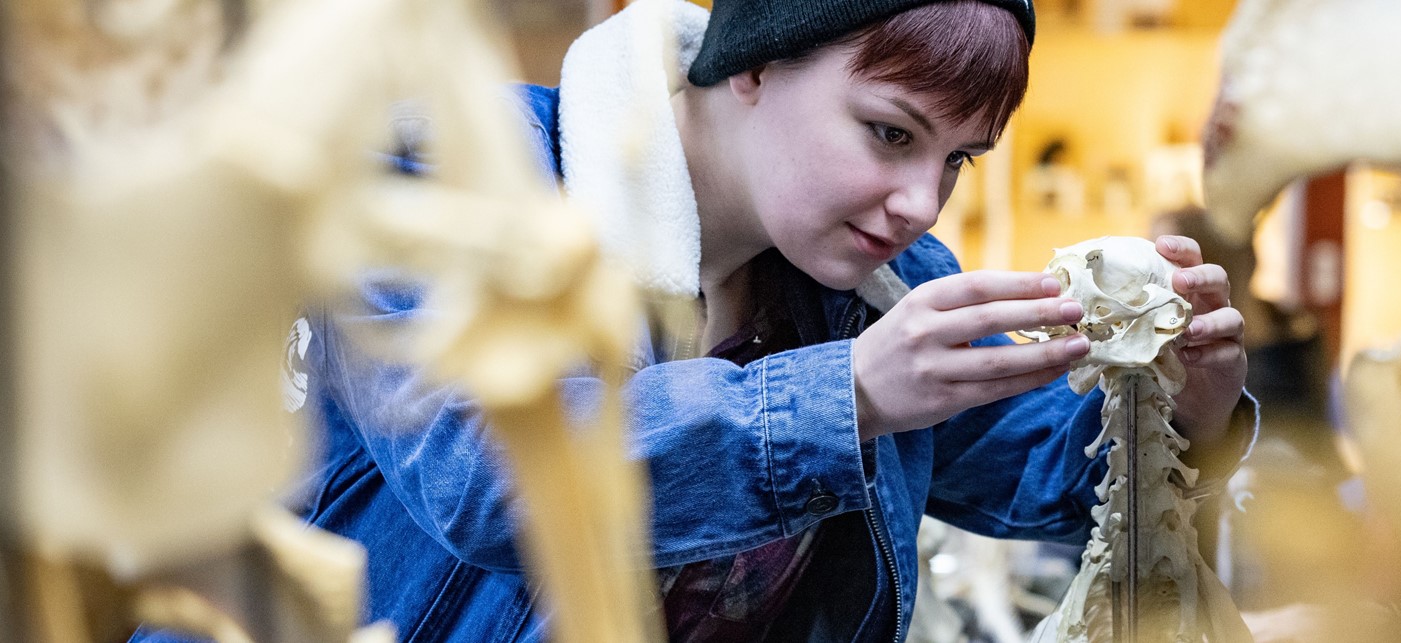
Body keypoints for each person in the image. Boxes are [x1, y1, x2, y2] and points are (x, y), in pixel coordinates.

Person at [152, 1, 1256, 640]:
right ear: (755, 65)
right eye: (887, 133)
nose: (921, 200)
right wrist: (849, 396)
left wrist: (1182, 411)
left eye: (956, 160)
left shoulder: (878, 282)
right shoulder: (456, 171)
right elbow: (494, 471)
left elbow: (1044, 483)